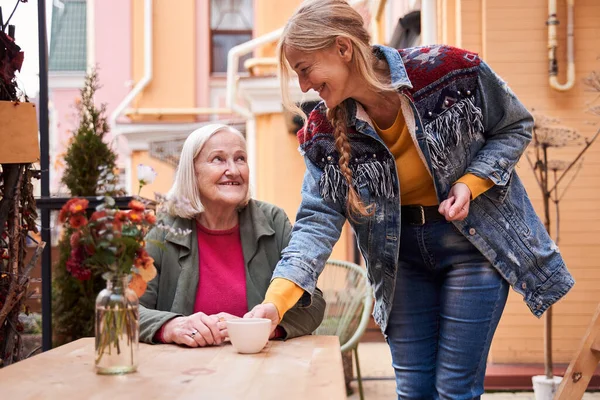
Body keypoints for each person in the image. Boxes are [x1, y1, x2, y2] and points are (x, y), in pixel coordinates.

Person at [245, 1, 574, 398]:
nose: (303, 85)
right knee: (414, 391)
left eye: (305, 69)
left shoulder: (449, 70)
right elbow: (317, 220)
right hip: (399, 262)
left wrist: (471, 182)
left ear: (343, 49)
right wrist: (275, 303)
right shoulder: (321, 133)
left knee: (454, 390)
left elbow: (514, 125)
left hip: (471, 245)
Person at [139, 123, 325, 347]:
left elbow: (313, 304)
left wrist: (264, 329)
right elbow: (128, 309)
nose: (234, 170)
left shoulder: (273, 221)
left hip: (259, 365)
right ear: (192, 171)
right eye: (218, 159)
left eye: (240, 159)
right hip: (183, 372)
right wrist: (169, 327)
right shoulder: (164, 229)